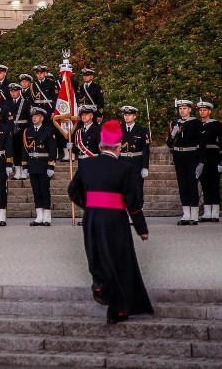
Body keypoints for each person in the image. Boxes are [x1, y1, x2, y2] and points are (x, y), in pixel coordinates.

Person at [67, 120, 153, 325]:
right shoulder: (126, 167)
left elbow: (72, 190)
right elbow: (133, 201)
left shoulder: (86, 164)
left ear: (99, 146)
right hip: (115, 219)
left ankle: (99, 283)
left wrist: (89, 205)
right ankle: (119, 308)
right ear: (119, 146)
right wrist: (141, 228)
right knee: (119, 261)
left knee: (96, 254)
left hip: (92, 217)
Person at [167, 100, 202, 226]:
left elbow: (201, 143)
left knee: (192, 184)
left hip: (191, 155)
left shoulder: (196, 123)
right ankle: (186, 213)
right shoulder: (175, 123)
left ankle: (194, 213)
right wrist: (173, 133)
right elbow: (169, 144)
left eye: (184, 108)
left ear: (190, 109)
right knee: (182, 184)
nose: (182, 111)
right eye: (180, 108)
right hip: (179, 156)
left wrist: (201, 161)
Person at [23, 107, 57, 226]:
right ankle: (39, 216)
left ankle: (47, 217)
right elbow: (25, 150)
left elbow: (52, 150)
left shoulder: (48, 130)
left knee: (44, 190)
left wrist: (51, 166)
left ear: (42, 118)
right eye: (33, 116)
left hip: (43, 164)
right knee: (36, 191)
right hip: (33, 164)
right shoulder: (28, 131)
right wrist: (25, 165)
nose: (34, 118)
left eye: (37, 116)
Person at [196, 101, 222, 222]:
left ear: (209, 111)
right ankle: (207, 212)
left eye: (205, 110)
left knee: (214, 184)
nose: (202, 112)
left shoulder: (216, 125)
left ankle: (215, 212)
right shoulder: (196, 125)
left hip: (213, 156)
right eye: (200, 110)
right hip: (200, 157)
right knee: (205, 184)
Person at [119, 106, 151, 198]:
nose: (127, 117)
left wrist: (145, 167)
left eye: (129, 115)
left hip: (136, 163)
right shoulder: (119, 130)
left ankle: (138, 210)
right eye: (125, 115)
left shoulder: (141, 130)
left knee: (137, 189)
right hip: (122, 162)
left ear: (134, 116)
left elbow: (146, 150)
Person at [5, 83, 30, 179]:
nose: (13, 93)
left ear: (19, 91)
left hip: (23, 129)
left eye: (15, 91)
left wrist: (29, 130)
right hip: (11, 130)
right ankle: (17, 171)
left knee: (23, 150)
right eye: (11, 91)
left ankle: (24, 170)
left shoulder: (25, 102)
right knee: (14, 150)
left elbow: (29, 118)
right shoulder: (7, 103)